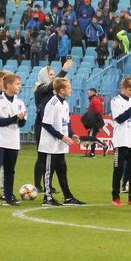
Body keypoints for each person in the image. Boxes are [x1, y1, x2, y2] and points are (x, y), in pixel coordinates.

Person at [38, 77, 83, 206]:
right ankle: (47, 197)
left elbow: (65, 124)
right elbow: (46, 124)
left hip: (60, 145)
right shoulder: (53, 103)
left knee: (62, 169)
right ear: (62, 90)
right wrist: (62, 137)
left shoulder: (65, 104)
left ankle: (68, 197)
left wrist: (72, 134)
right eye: (69, 88)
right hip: (50, 144)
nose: (71, 90)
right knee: (49, 171)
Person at [111, 76, 131, 206]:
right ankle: (115, 197)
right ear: (123, 88)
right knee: (118, 170)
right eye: (130, 89)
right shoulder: (116, 101)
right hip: (120, 141)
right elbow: (119, 119)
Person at [0, 73, 27, 205]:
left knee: (10, 171)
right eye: (16, 84)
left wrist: (20, 119)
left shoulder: (20, 103)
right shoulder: (0, 101)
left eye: (19, 84)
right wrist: (15, 117)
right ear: (8, 85)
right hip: (0, 140)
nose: (19, 86)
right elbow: (0, 121)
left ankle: (8, 196)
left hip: (13, 141)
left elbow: (22, 124)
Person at [80, 88, 107, 157]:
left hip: (95, 121)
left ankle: (104, 146)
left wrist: (93, 121)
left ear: (92, 92)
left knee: (91, 137)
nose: (87, 94)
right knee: (92, 136)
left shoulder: (94, 100)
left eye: (88, 92)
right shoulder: (95, 100)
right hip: (96, 120)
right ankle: (92, 153)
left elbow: (97, 111)